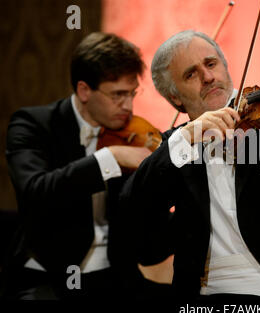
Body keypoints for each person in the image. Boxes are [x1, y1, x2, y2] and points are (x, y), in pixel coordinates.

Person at [119, 30, 260, 301]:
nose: (207, 77)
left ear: (226, 69)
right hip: (215, 291)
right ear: (175, 97)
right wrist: (185, 137)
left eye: (211, 64)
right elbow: (132, 209)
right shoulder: (177, 148)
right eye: (191, 74)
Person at [2, 32, 170, 299]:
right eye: (117, 95)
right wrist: (110, 158)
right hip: (49, 277)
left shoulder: (133, 134)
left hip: (116, 276)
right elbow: (35, 192)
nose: (128, 106)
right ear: (84, 90)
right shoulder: (34, 125)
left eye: (132, 94)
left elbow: (151, 243)